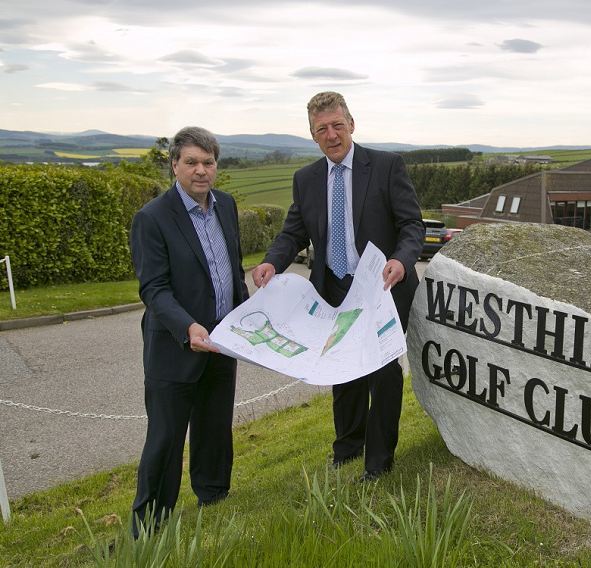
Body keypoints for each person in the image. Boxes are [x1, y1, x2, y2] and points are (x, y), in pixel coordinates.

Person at [252, 91, 424, 481]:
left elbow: (412, 225)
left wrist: (401, 259)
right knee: (343, 371)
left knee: (382, 373)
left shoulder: (386, 166)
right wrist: (270, 261)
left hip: (383, 286)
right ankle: (348, 448)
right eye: (321, 129)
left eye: (337, 126)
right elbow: (293, 232)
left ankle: (379, 462)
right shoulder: (306, 179)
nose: (331, 135)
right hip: (332, 290)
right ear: (313, 135)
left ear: (351, 125)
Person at [129, 126, 249, 536]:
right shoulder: (152, 218)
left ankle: (213, 497)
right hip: (176, 346)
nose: (201, 171)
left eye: (209, 162)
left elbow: (233, 272)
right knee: (164, 438)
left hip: (222, 341)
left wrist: (250, 317)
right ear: (174, 165)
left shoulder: (226, 206)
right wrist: (188, 326)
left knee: (215, 426)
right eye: (192, 162)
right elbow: (154, 289)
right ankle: (150, 524)